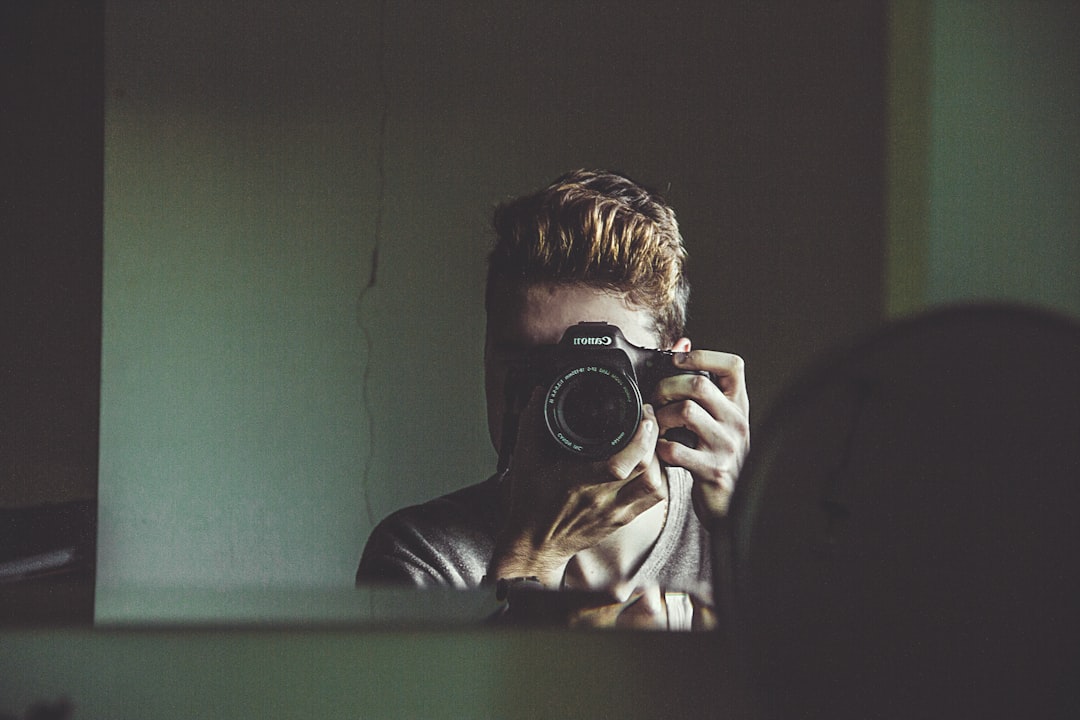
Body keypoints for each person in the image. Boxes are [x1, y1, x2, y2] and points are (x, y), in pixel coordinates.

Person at [357, 170, 749, 625]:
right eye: (527, 366)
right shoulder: (426, 557)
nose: (551, 399)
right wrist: (530, 557)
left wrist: (746, 527)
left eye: (597, 373)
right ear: (487, 360)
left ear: (677, 372)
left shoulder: (730, 529)